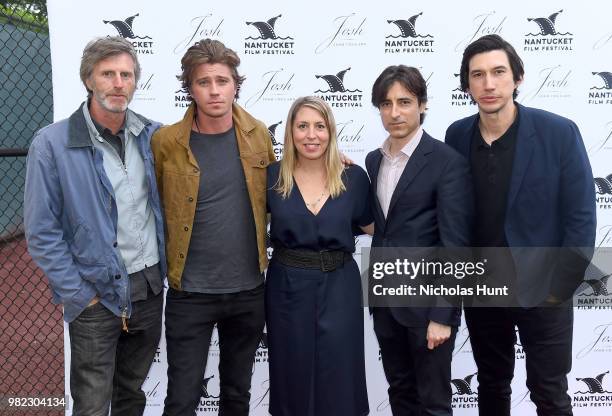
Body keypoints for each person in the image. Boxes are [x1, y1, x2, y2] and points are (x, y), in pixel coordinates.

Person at [445, 34, 596, 416]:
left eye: (498, 72)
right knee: (491, 386)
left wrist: (559, 288)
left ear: (518, 78)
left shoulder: (559, 133)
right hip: (484, 289)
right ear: (466, 85)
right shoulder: (457, 135)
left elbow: (580, 217)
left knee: (549, 393)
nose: (489, 84)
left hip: (544, 293)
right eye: (477, 75)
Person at [24, 37, 166, 415]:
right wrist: (79, 294)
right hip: (95, 294)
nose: (119, 83)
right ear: (89, 79)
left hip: (150, 288)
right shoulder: (51, 144)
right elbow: (41, 231)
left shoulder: (154, 136)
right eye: (108, 74)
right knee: (90, 403)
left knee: (131, 394)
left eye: (127, 75)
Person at [151, 38, 273, 416]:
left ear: (236, 84)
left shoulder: (259, 135)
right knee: (181, 398)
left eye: (222, 80)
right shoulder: (166, 142)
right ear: (189, 87)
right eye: (204, 82)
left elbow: (286, 187)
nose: (215, 90)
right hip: (190, 291)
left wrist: (334, 163)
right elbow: (151, 206)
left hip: (248, 290)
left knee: (237, 394)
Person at [365, 65, 473, 415]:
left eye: (404, 102)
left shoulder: (446, 162)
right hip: (386, 304)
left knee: (434, 404)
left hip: (428, 309)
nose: (394, 112)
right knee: (401, 394)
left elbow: (456, 244)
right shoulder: (372, 161)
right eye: (386, 104)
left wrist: (443, 315)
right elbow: (383, 226)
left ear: (422, 105)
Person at [265, 96, 373, 416]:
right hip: (286, 288)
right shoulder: (271, 177)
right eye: (302, 126)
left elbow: (374, 227)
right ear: (290, 132)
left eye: (319, 126)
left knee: (340, 376)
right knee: (291, 374)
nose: (311, 135)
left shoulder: (354, 178)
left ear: (331, 131)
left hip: (340, 287)